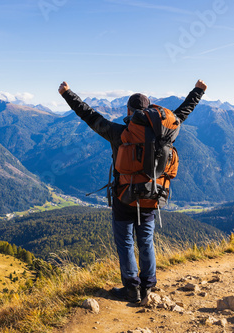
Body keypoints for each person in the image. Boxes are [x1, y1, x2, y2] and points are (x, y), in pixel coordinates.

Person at [58, 80, 207, 303]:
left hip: (124, 196)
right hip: (153, 195)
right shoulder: (166, 131)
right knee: (146, 240)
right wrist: (198, 91)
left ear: (129, 111)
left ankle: (131, 288)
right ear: (150, 111)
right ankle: (148, 285)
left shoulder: (119, 133)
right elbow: (185, 110)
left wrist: (67, 93)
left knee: (125, 242)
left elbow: (89, 116)